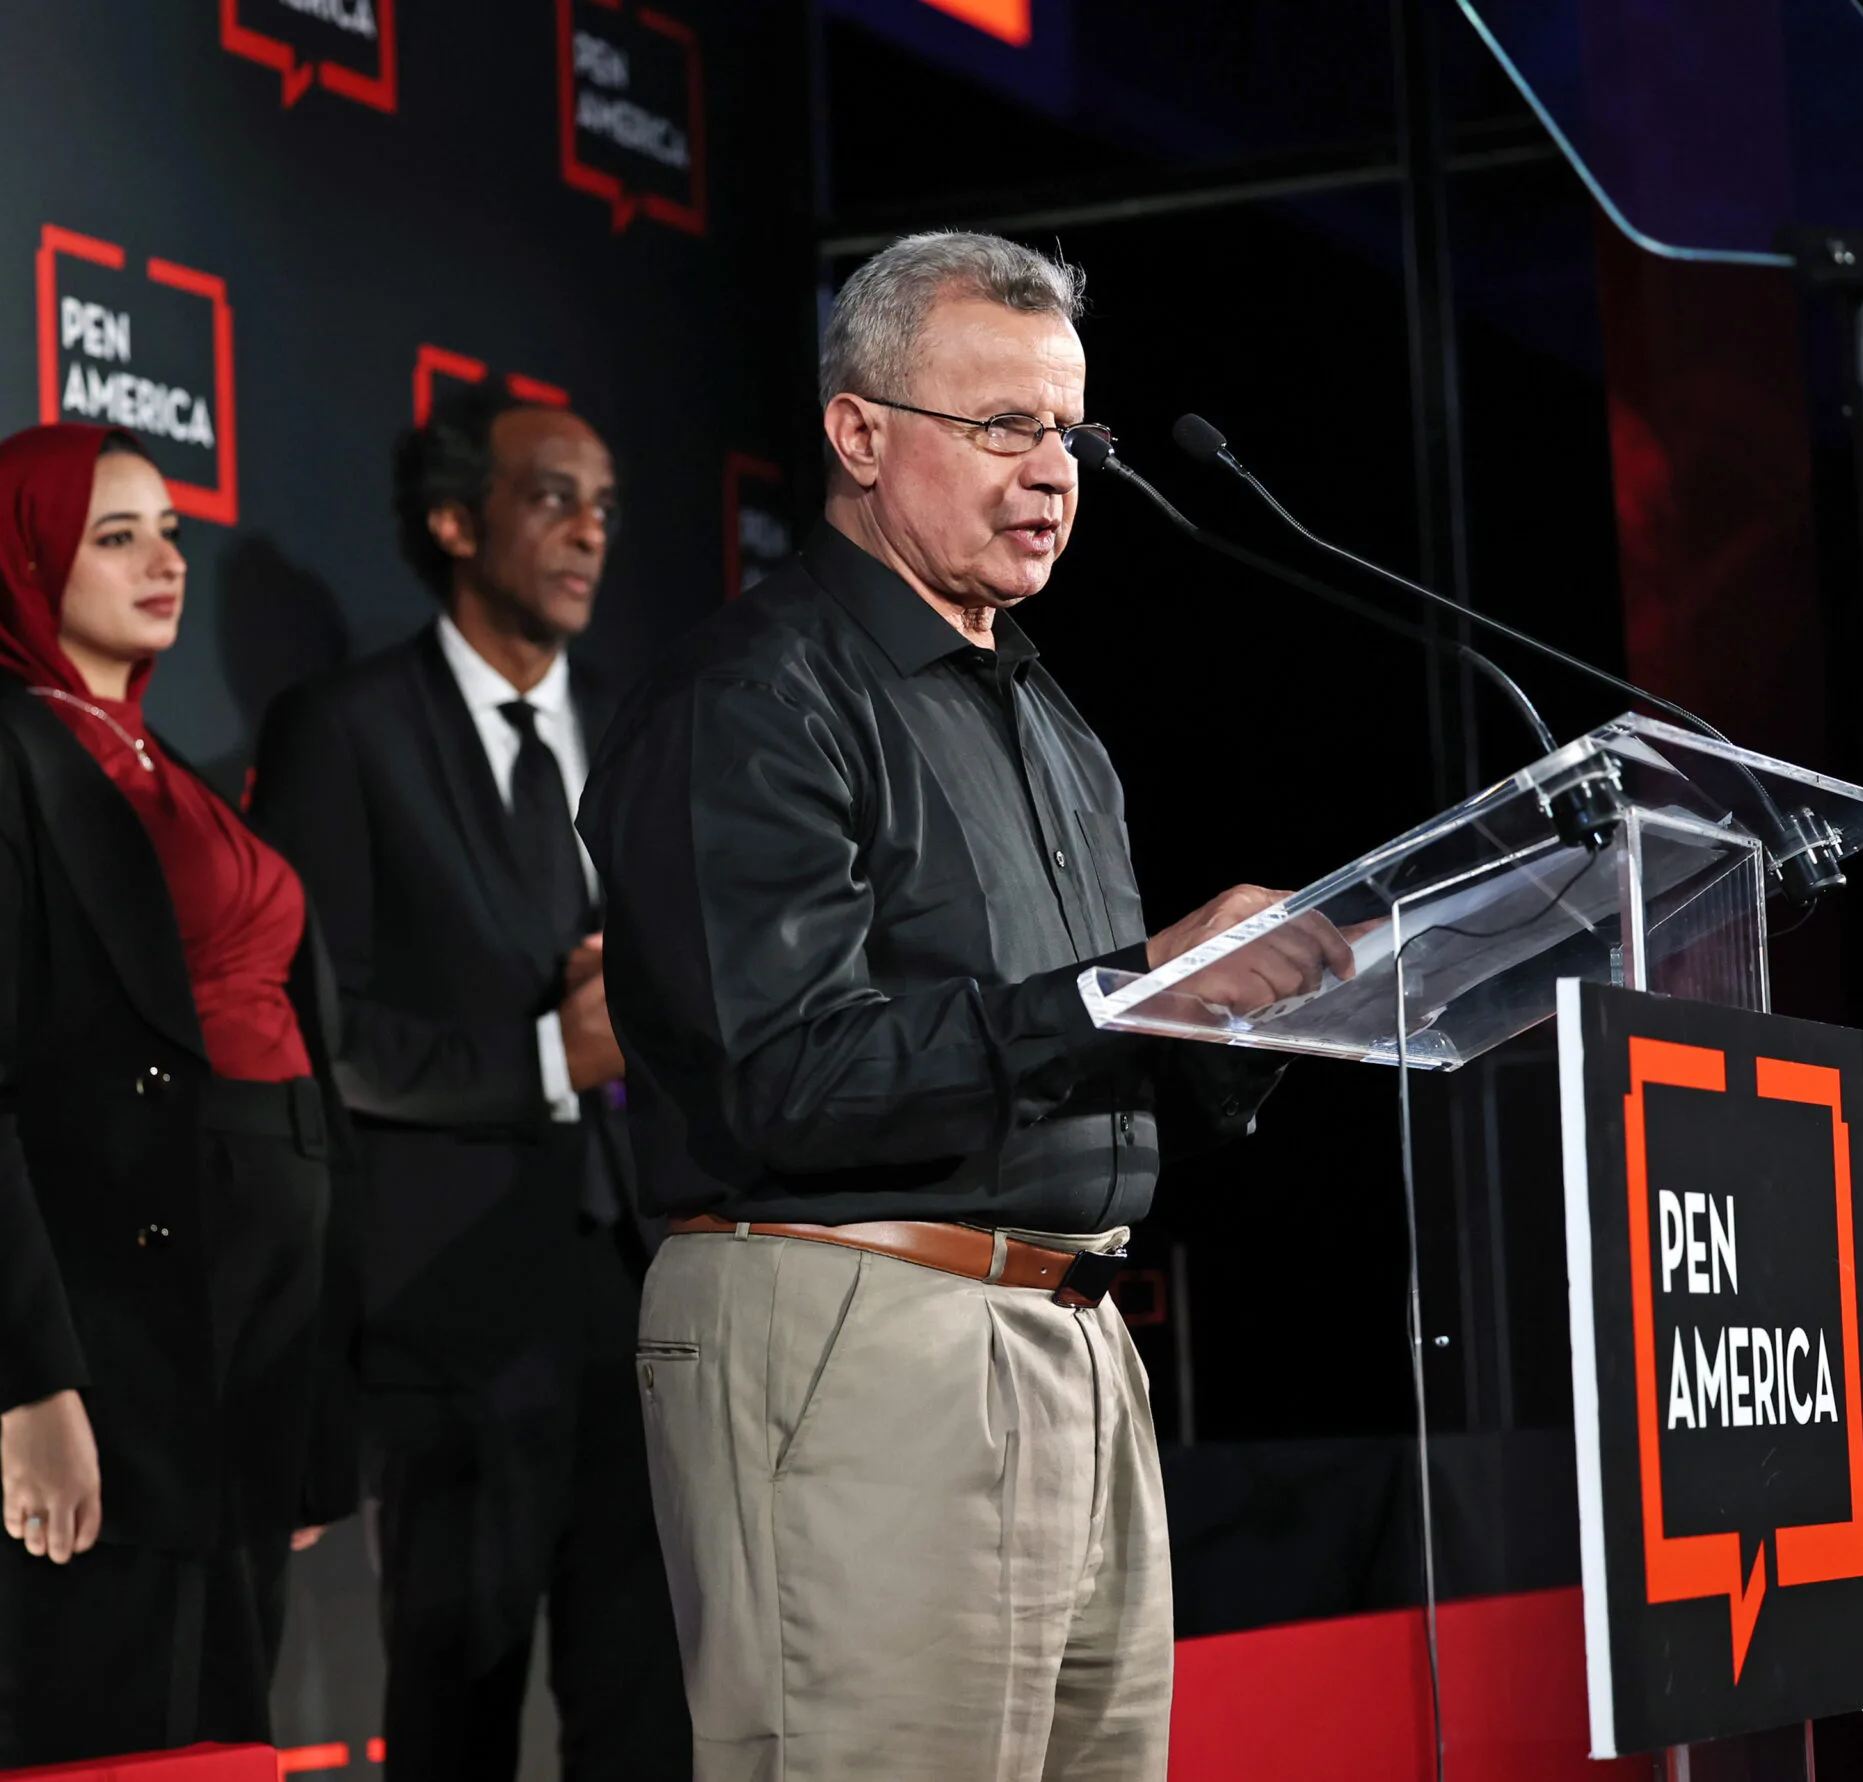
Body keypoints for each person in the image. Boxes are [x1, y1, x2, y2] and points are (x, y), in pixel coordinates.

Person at [577, 232, 1356, 1780]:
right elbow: (786, 1077)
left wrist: (1241, 1022)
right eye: (1002, 426)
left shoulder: (1050, 722)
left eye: (1072, 431)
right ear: (858, 434)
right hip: (864, 1334)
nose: (1053, 470)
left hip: (1070, 1337)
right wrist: (1133, 990)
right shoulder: (752, 698)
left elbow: (1078, 1036)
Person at [0, 423, 359, 1772]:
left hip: (239, 1350)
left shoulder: (178, 779)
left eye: (174, 531)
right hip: (95, 1347)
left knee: (218, 1748)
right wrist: (34, 1388)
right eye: (116, 533)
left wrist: (301, 1405)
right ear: (22, 561)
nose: (165, 560)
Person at [250, 385, 689, 1781]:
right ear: (455, 520)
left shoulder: (638, 730)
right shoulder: (347, 728)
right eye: (552, 496)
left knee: (647, 1710)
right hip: (448, 1315)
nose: (588, 532)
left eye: (606, 505)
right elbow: (326, 1030)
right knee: (459, 1714)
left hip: (645, 1300)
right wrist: (557, 1054)